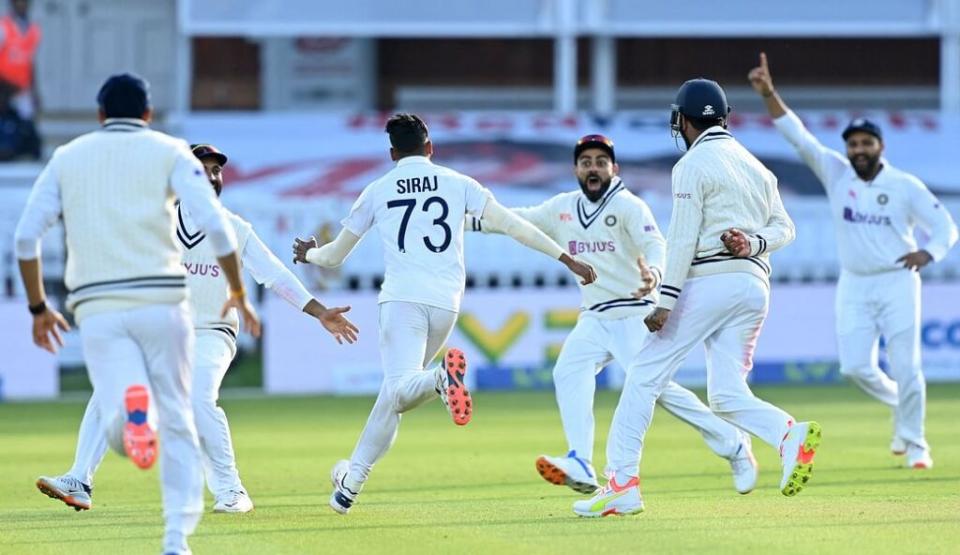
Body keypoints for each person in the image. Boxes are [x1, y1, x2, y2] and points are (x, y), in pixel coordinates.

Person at [292, 113, 597, 514]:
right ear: (430, 148)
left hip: (402, 300)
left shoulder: (377, 190)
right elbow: (512, 225)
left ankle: (440, 379)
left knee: (400, 391)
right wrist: (566, 258)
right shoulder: (459, 183)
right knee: (391, 397)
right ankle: (349, 485)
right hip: (446, 304)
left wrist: (308, 253)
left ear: (392, 153)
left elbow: (333, 258)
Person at [33, 142, 359, 515]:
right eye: (200, 170)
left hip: (212, 332)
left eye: (216, 171)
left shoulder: (234, 229)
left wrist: (319, 312)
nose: (211, 177)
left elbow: (274, 275)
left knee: (198, 398)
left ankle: (232, 491)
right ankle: (80, 480)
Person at [14, 73, 258, 554]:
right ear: (148, 115)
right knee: (181, 419)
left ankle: (106, 452)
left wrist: (39, 306)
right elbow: (217, 226)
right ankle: (174, 541)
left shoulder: (69, 157)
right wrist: (236, 288)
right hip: (163, 304)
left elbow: (25, 238)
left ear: (100, 115)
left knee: (110, 398)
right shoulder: (170, 152)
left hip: (101, 304)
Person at [575, 78, 821, 518]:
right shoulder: (757, 167)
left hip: (710, 281)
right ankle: (788, 434)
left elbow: (683, 236)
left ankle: (621, 485)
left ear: (684, 120)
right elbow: (786, 229)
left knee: (643, 375)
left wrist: (665, 301)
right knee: (726, 393)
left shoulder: (691, 164)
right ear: (723, 118)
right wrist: (753, 242)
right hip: (753, 287)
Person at [467, 134, 757, 496]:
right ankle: (581, 462)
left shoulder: (629, 206)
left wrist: (655, 272)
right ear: (575, 169)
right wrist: (463, 223)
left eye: (600, 162)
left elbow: (656, 245)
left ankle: (733, 444)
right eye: (586, 161)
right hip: (594, 316)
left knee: (662, 391)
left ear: (614, 168)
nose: (593, 168)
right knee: (568, 370)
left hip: (634, 314)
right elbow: (517, 222)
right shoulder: (563, 207)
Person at [748, 53, 958, 468]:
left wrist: (928, 252)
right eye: (853, 144)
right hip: (855, 282)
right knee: (855, 367)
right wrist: (770, 94)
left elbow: (947, 227)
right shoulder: (837, 173)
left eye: (866, 143)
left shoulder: (904, 185)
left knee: (908, 365)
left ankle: (916, 443)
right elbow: (800, 138)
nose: (859, 150)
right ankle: (903, 405)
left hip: (898, 281)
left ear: (881, 146)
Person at [0, 0, 41, 159]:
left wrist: (35, 90)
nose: (22, 5)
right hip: (4, 88)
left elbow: (30, 61)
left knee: (25, 124)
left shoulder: (33, 30)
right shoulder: (3, 27)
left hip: (22, 88)